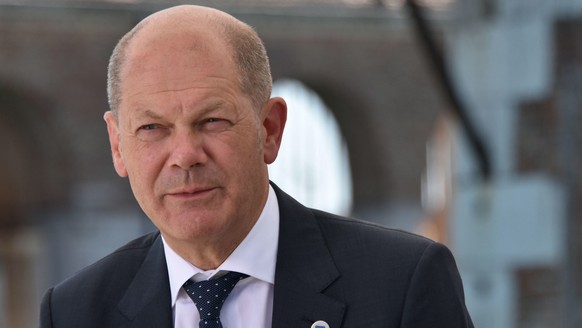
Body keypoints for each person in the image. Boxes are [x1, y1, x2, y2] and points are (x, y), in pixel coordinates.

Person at [40, 5, 474, 328]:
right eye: (153, 127)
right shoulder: (75, 311)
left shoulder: (400, 283)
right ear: (118, 145)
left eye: (211, 121)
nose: (186, 154)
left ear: (269, 129)